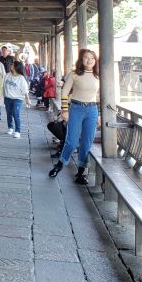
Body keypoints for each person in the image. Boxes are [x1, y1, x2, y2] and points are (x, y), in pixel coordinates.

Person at [49, 49, 101, 184]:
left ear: (95, 60)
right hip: (76, 109)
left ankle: (81, 173)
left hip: (92, 110)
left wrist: (99, 114)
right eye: (86, 58)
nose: (89, 60)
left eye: (92, 58)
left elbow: (100, 96)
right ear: (81, 60)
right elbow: (64, 92)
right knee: (71, 141)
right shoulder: (74, 74)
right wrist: (65, 111)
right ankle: (59, 165)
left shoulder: (98, 76)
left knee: (86, 143)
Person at [3, 60, 30, 138]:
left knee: (15, 113)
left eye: (12, 64)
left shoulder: (21, 78)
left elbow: (25, 90)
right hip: (7, 98)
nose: (10, 65)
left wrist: (27, 99)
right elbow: (3, 85)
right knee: (9, 113)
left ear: (15, 67)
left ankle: (17, 131)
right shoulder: (7, 75)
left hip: (17, 99)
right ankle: (10, 127)